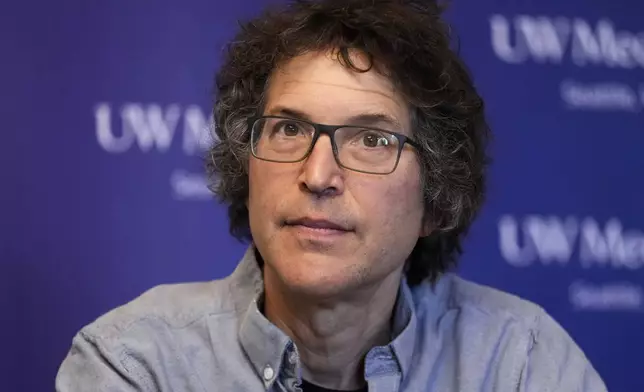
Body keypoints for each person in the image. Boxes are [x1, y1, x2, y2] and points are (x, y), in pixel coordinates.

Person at [56, 0, 608, 391]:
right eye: (289, 130)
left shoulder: (519, 364)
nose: (318, 174)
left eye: (372, 139)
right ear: (245, 165)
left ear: (436, 199)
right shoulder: (137, 365)